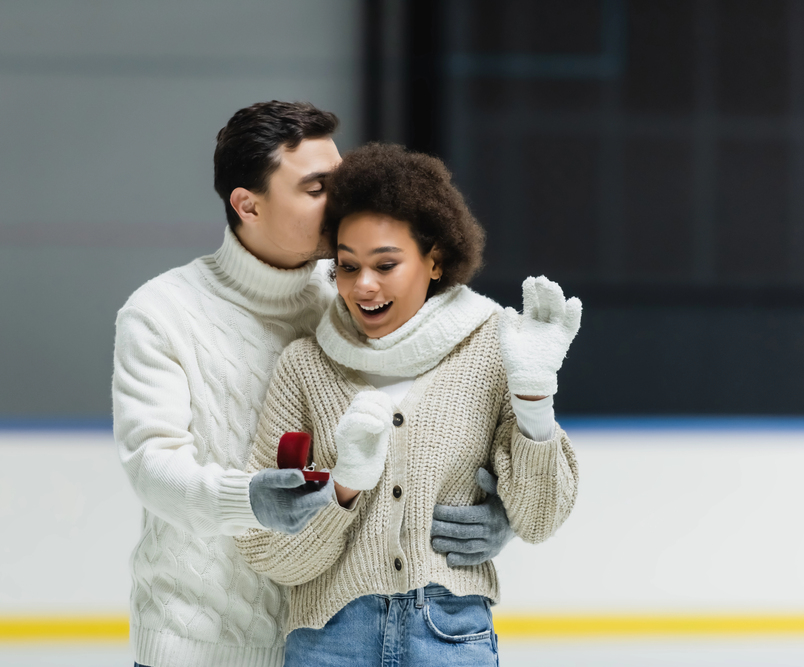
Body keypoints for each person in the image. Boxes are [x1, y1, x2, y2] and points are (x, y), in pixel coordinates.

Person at [112, 102, 515, 667]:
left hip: (330, 644)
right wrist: (246, 499)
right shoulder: (163, 312)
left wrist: (502, 517)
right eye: (317, 187)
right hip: (200, 645)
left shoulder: (358, 300)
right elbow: (150, 466)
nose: (343, 201)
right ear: (247, 204)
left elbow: (428, 439)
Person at [236, 143, 582, 666]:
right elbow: (267, 549)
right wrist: (344, 488)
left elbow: (539, 518)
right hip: (330, 640)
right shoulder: (306, 366)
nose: (364, 285)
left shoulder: (495, 348)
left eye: (386, 264)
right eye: (347, 266)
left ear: (435, 259)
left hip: (450, 636)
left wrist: (534, 400)